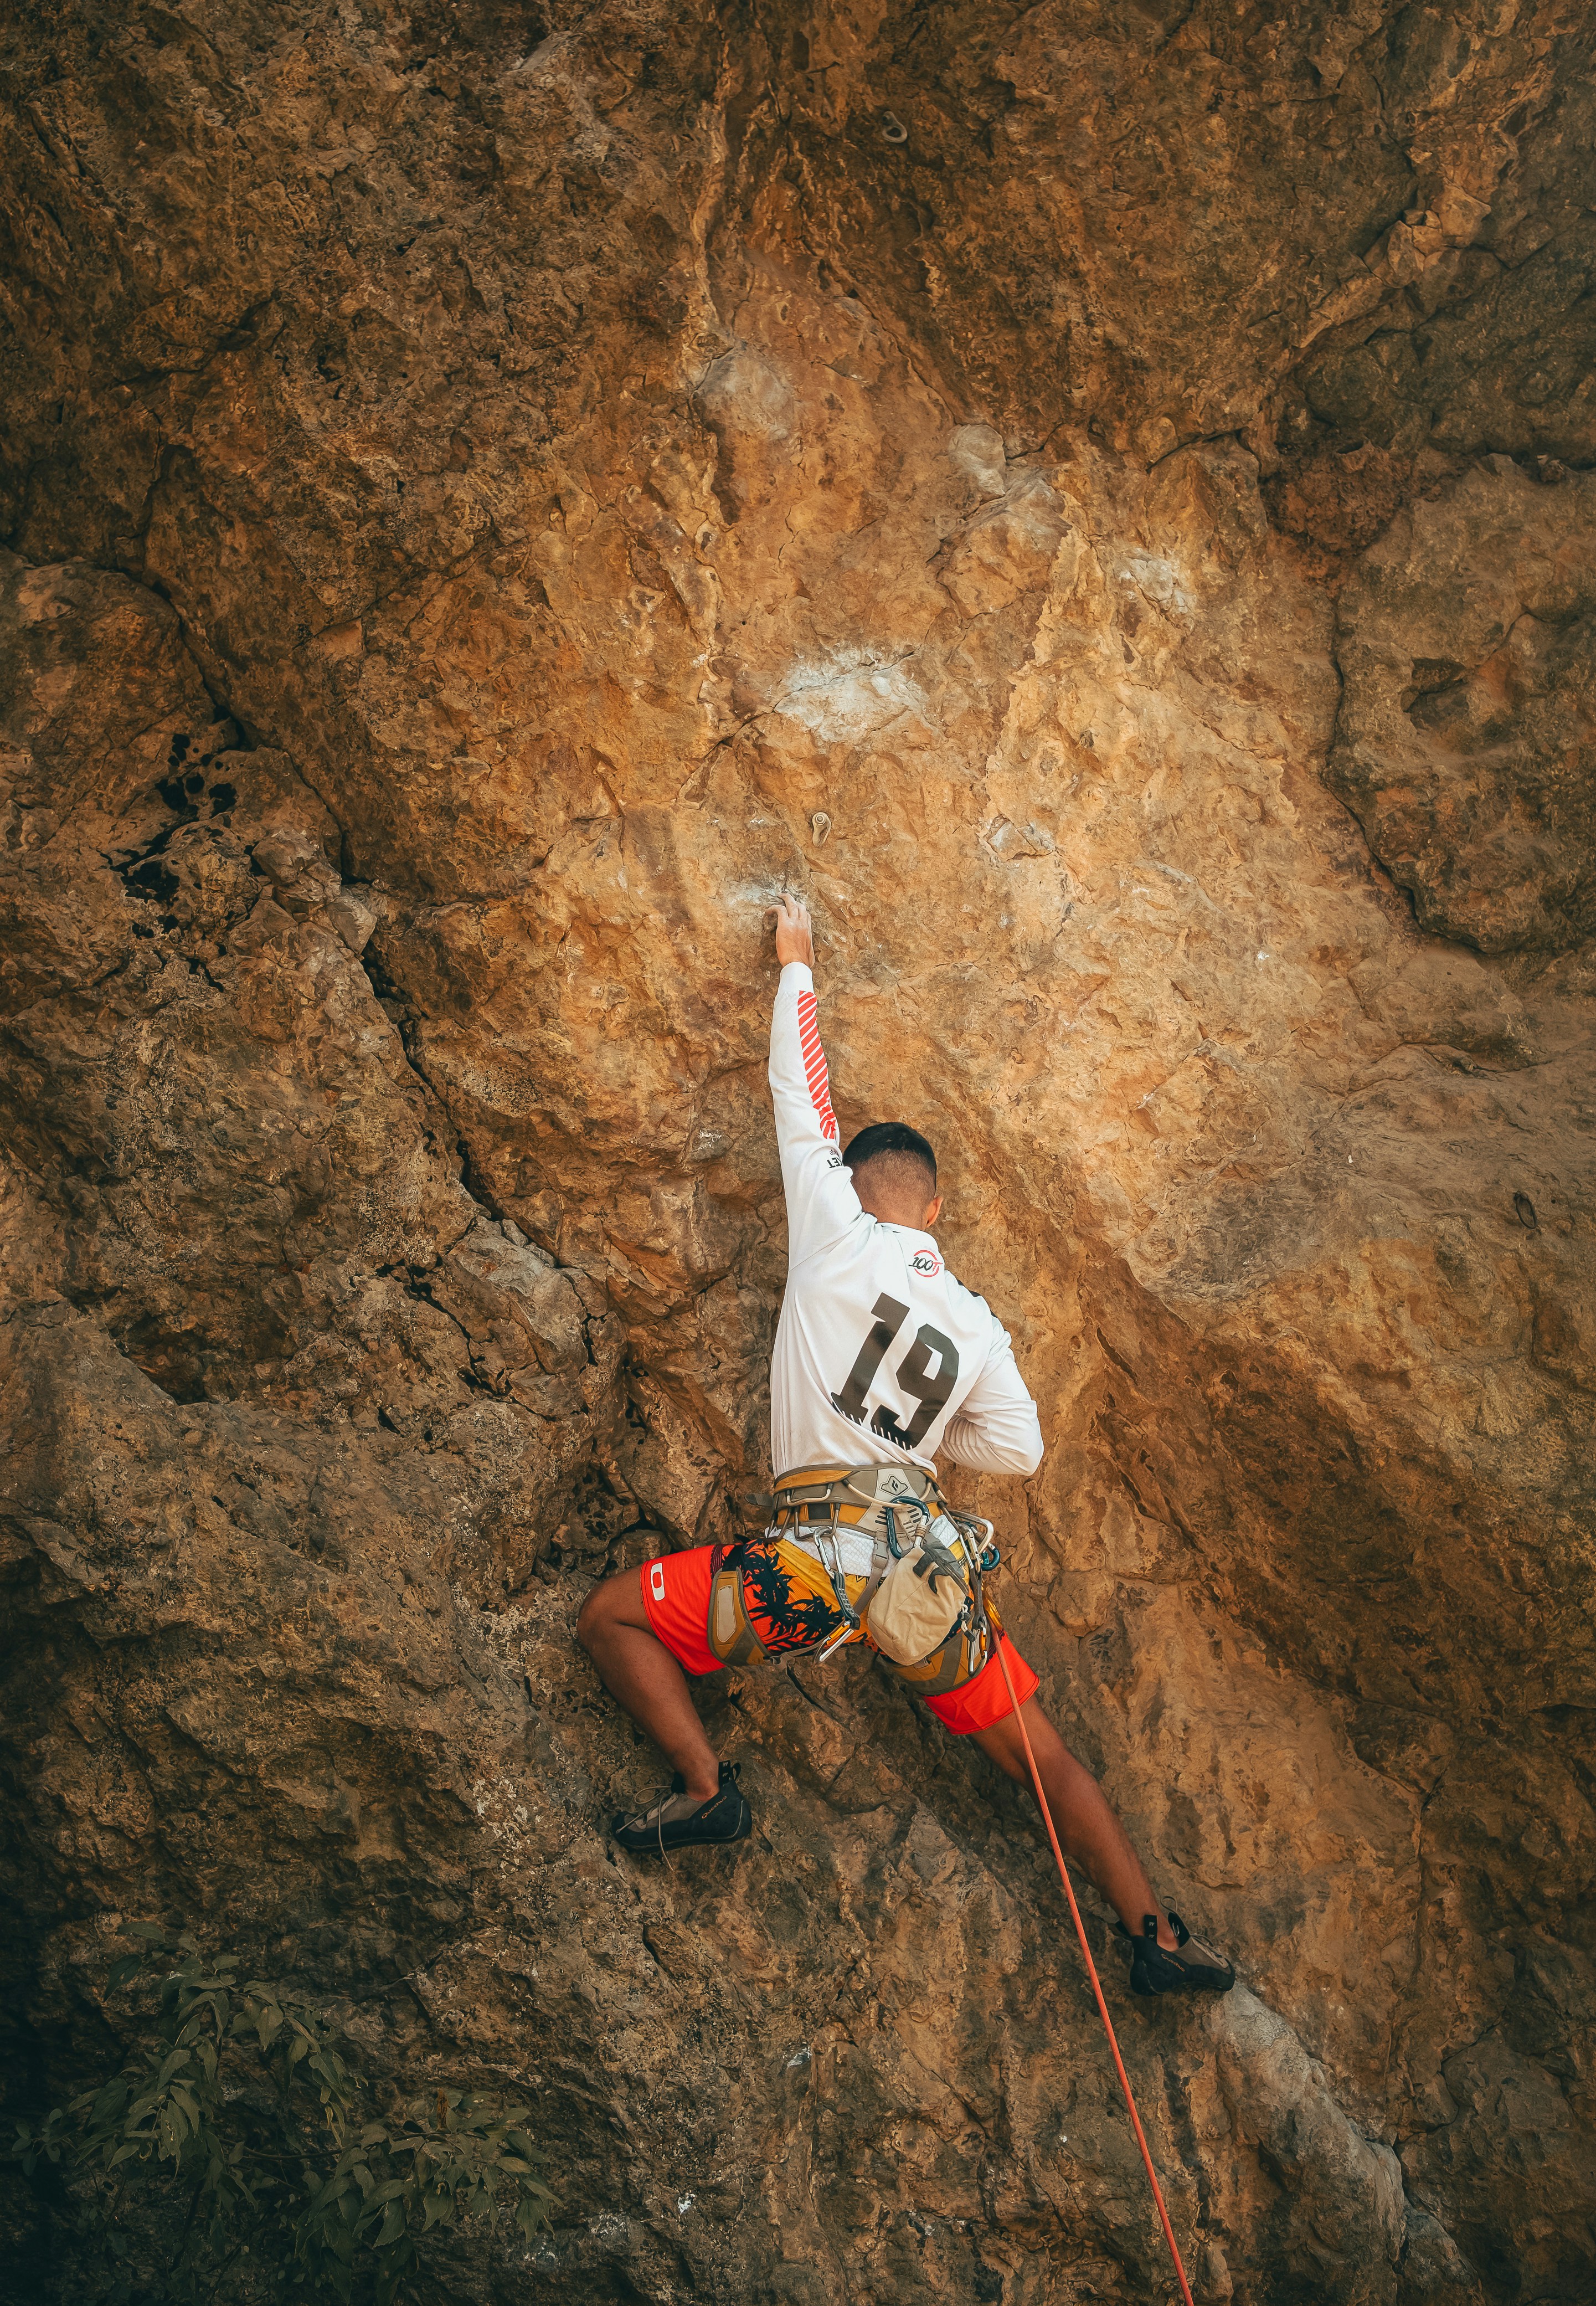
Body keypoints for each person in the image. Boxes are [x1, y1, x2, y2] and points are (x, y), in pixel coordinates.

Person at [578, 895, 1234, 1996]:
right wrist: (931, 1435)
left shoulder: (833, 1224)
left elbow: (800, 1094)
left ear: (861, 1186)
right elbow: (1015, 1451)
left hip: (815, 1571)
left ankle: (703, 1791)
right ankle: (1158, 1939)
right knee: (1043, 1758)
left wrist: (794, 961)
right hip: (926, 1575)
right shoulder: (975, 1322)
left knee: (609, 1618)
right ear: (935, 1203)